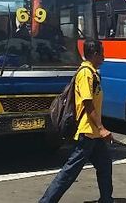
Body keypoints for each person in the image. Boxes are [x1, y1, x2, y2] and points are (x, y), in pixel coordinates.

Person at [39, 39, 114, 203]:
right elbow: (87, 103)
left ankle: (106, 199)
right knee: (70, 171)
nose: (104, 58)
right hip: (87, 131)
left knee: (105, 164)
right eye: (102, 54)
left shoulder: (93, 72)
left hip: (93, 133)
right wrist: (101, 128)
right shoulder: (85, 73)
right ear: (94, 54)